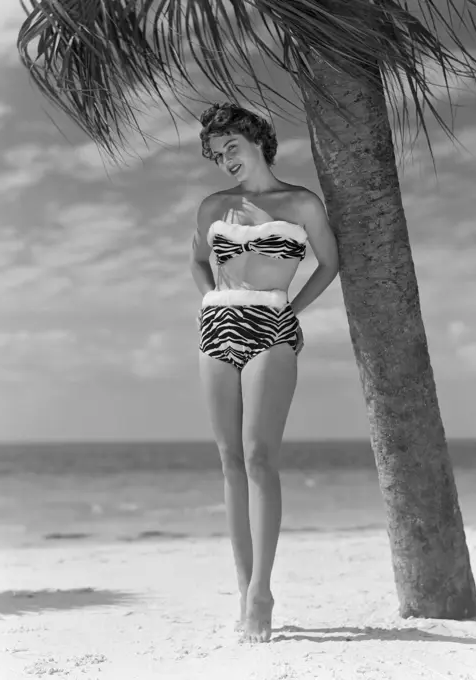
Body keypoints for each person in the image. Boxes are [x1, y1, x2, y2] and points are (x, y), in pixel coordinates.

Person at [190, 102, 339, 643]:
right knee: (229, 459)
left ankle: (262, 594)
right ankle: (242, 584)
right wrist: (214, 300)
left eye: (232, 147)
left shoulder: (300, 203)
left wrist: (290, 309)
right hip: (216, 328)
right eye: (216, 154)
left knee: (258, 456)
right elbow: (197, 260)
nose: (225, 159)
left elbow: (330, 261)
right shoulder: (212, 207)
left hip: (272, 327)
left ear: (258, 142)